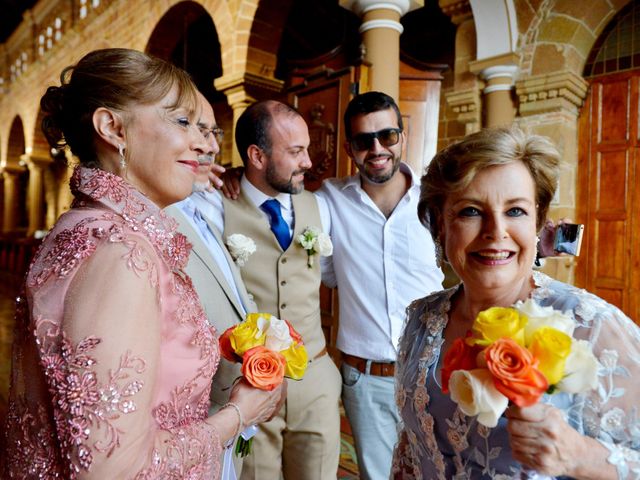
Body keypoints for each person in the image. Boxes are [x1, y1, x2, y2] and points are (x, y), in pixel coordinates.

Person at [3, 48, 284, 478]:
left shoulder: (92, 227)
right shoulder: (121, 253)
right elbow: (112, 469)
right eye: (182, 121)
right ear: (112, 127)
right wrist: (237, 415)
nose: (205, 143)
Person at [392, 126, 640, 478]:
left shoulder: (590, 326)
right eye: (470, 211)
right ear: (441, 226)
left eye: (516, 211)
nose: (496, 232)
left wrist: (579, 455)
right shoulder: (421, 318)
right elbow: (411, 448)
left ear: (538, 222)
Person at [205, 100, 342, 480]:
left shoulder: (322, 207)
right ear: (256, 156)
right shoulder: (214, 208)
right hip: (246, 386)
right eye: (296, 151)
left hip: (314, 377)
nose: (308, 162)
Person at [316, 91, 444, 480]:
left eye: (387, 135)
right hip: (365, 377)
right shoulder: (329, 200)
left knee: (439, 471)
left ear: (402, 138)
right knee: (378, 475)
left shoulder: (436, 202)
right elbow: (326, 272)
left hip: (432, 370)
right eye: (363, 140)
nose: (377, 148)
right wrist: (238, 177)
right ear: (349, 148)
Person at [165, 93, 257, 477]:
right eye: (193, 127)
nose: (211, 145)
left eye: (211, 131)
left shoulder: (213, 199)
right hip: (188, 416)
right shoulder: (151, 217)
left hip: (229, 398)